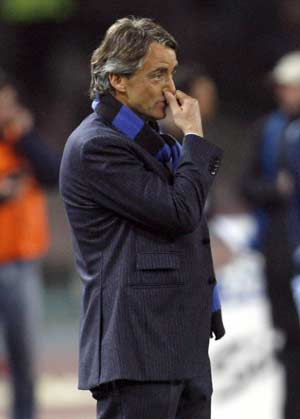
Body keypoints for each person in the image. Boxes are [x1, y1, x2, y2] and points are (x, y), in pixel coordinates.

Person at [60, 17, 225, 419]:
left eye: (171, 73)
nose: (170, 88)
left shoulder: (152, 143)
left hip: (179, 345)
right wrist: (194, 140)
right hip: (138, 351)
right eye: (157, 74)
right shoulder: (96, 146)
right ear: (119, 80)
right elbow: (180, 212)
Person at [241, 51, 300, 419]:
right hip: (280, 254)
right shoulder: (268, 129)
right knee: (289, 344)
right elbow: (246, 184)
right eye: (282, 87)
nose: (284, 93)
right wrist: (274, 190)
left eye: (291, 86)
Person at [0, 69, 60, 419]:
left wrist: (25, 136)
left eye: (8, 100)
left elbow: (54, 174)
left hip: (22, 263)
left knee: (24, 357)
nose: (6, 108)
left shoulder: (22, 140)